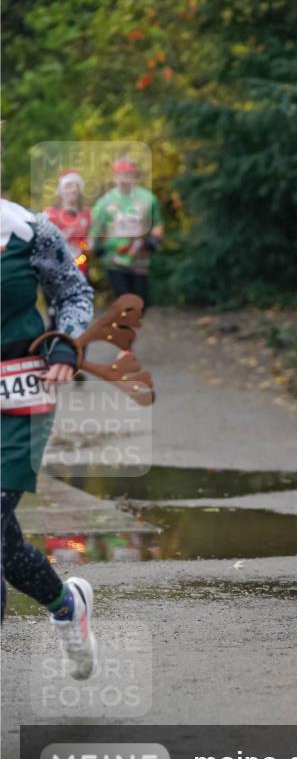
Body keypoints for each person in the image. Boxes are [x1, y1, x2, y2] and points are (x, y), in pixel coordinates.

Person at [1, 197, 97, 677]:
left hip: (18, 390)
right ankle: (67, 606)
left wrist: (65, 344)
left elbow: (75, 295)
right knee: (5, 544)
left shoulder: (31, 231)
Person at [90, 158, 164, 308]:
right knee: (124, 300)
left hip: (139, 258)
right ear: (114, 177)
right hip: (114, 258)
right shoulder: (105, 202)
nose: (123, 179)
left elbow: (158, 223)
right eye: (119, 175)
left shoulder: (148, 199)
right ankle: (124, 329)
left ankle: (129, 326)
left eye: (127, 175)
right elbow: (95, 228)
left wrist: (155, 238)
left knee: (141, 303)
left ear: (135, 176)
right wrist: (93, 246)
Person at [43, 169, 92, 275]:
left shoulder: (86, 214)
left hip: (80, 267)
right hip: (56, 269)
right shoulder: (50, 214)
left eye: (76, 186)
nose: (73, 190)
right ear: (61, 190)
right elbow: (44, 243)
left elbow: (89, 242)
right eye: (69, 186)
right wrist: (64, 234)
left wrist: (86, 246)